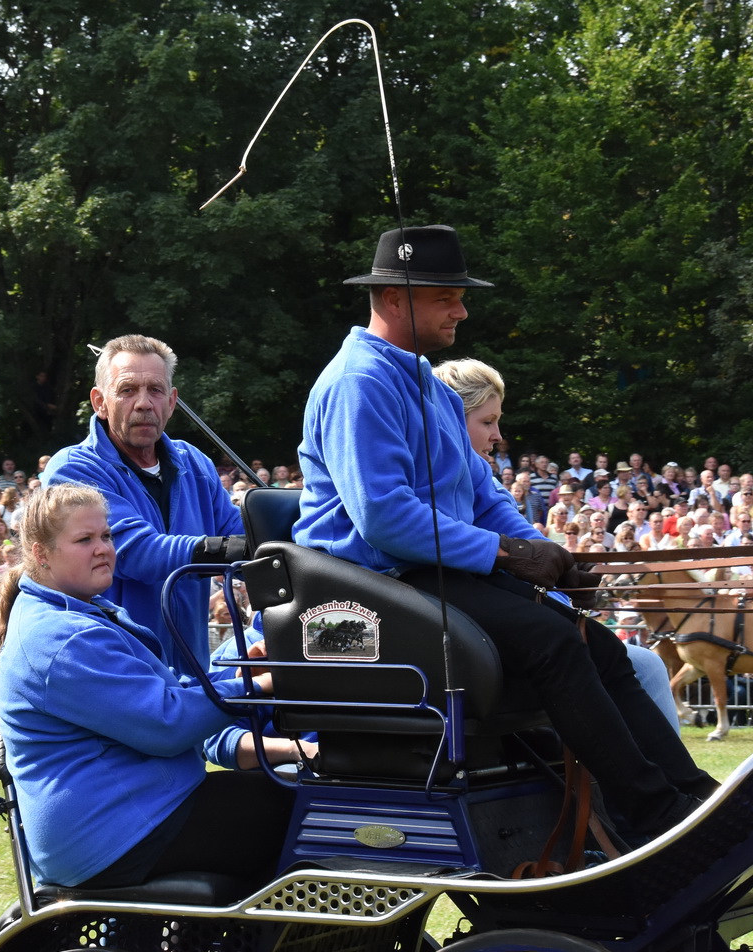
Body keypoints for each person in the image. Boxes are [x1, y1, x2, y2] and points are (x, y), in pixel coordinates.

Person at [295, 224, 712, 844]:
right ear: (392, 298)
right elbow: (383, 516)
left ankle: (694, 798)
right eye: (446, 297)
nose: (461, 310)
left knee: (592, 643)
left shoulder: (424, 383)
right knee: (553, 644)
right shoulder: (360, 382)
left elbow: (481, 496)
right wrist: (506, 554)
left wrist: (549, 557)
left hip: (430, 577)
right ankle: (655, 815)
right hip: (370, 589)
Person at [0, 483, 296, 889]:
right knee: (305, 810)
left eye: (106, 535)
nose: (103, 548)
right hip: (112, 835)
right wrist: (259, 687)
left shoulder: (74, 613)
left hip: (127, 818)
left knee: (295, 798)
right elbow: (166, 723)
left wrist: (239, 677)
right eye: (84, 540)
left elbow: (165, 692)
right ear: (41, 554)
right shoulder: (62, 636)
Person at [433, 357, 682, 732]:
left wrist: (565, 568)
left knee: (644, 663)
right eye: (487, 422)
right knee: (640, 665)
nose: (498, 435)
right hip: (462, 633)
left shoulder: (479, 473)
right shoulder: (436, 476)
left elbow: (516, 529)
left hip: (479, 627)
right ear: (451, 420)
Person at [42, 335, 247, 679]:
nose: (143, 403)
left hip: (189, 676)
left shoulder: (194, 463)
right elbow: (135, 552)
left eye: (154, 390)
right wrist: (231, 549)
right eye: (127, 390)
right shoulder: (73, 469)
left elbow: (240, 537)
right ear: (99, 402)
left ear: (171, 401)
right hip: (111, 673)